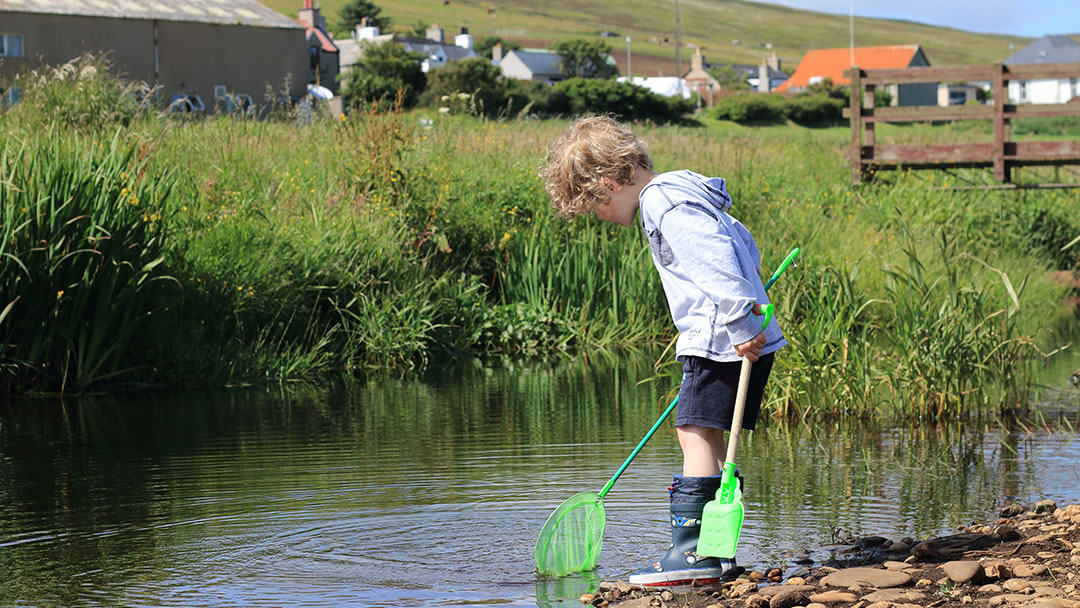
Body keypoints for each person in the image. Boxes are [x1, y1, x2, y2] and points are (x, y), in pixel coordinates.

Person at [541, 115, 785, 586]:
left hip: (720, 341)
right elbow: (742, 247)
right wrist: (749, 309)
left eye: (593, 206)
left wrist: (737, 318)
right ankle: (715, 553)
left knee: (694, 435)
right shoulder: (685, 191)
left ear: (609, 182)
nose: (598, 217)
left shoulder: (662, 203)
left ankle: (691, 556)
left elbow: (712, 255)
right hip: (741, 336)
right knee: (709, 437)